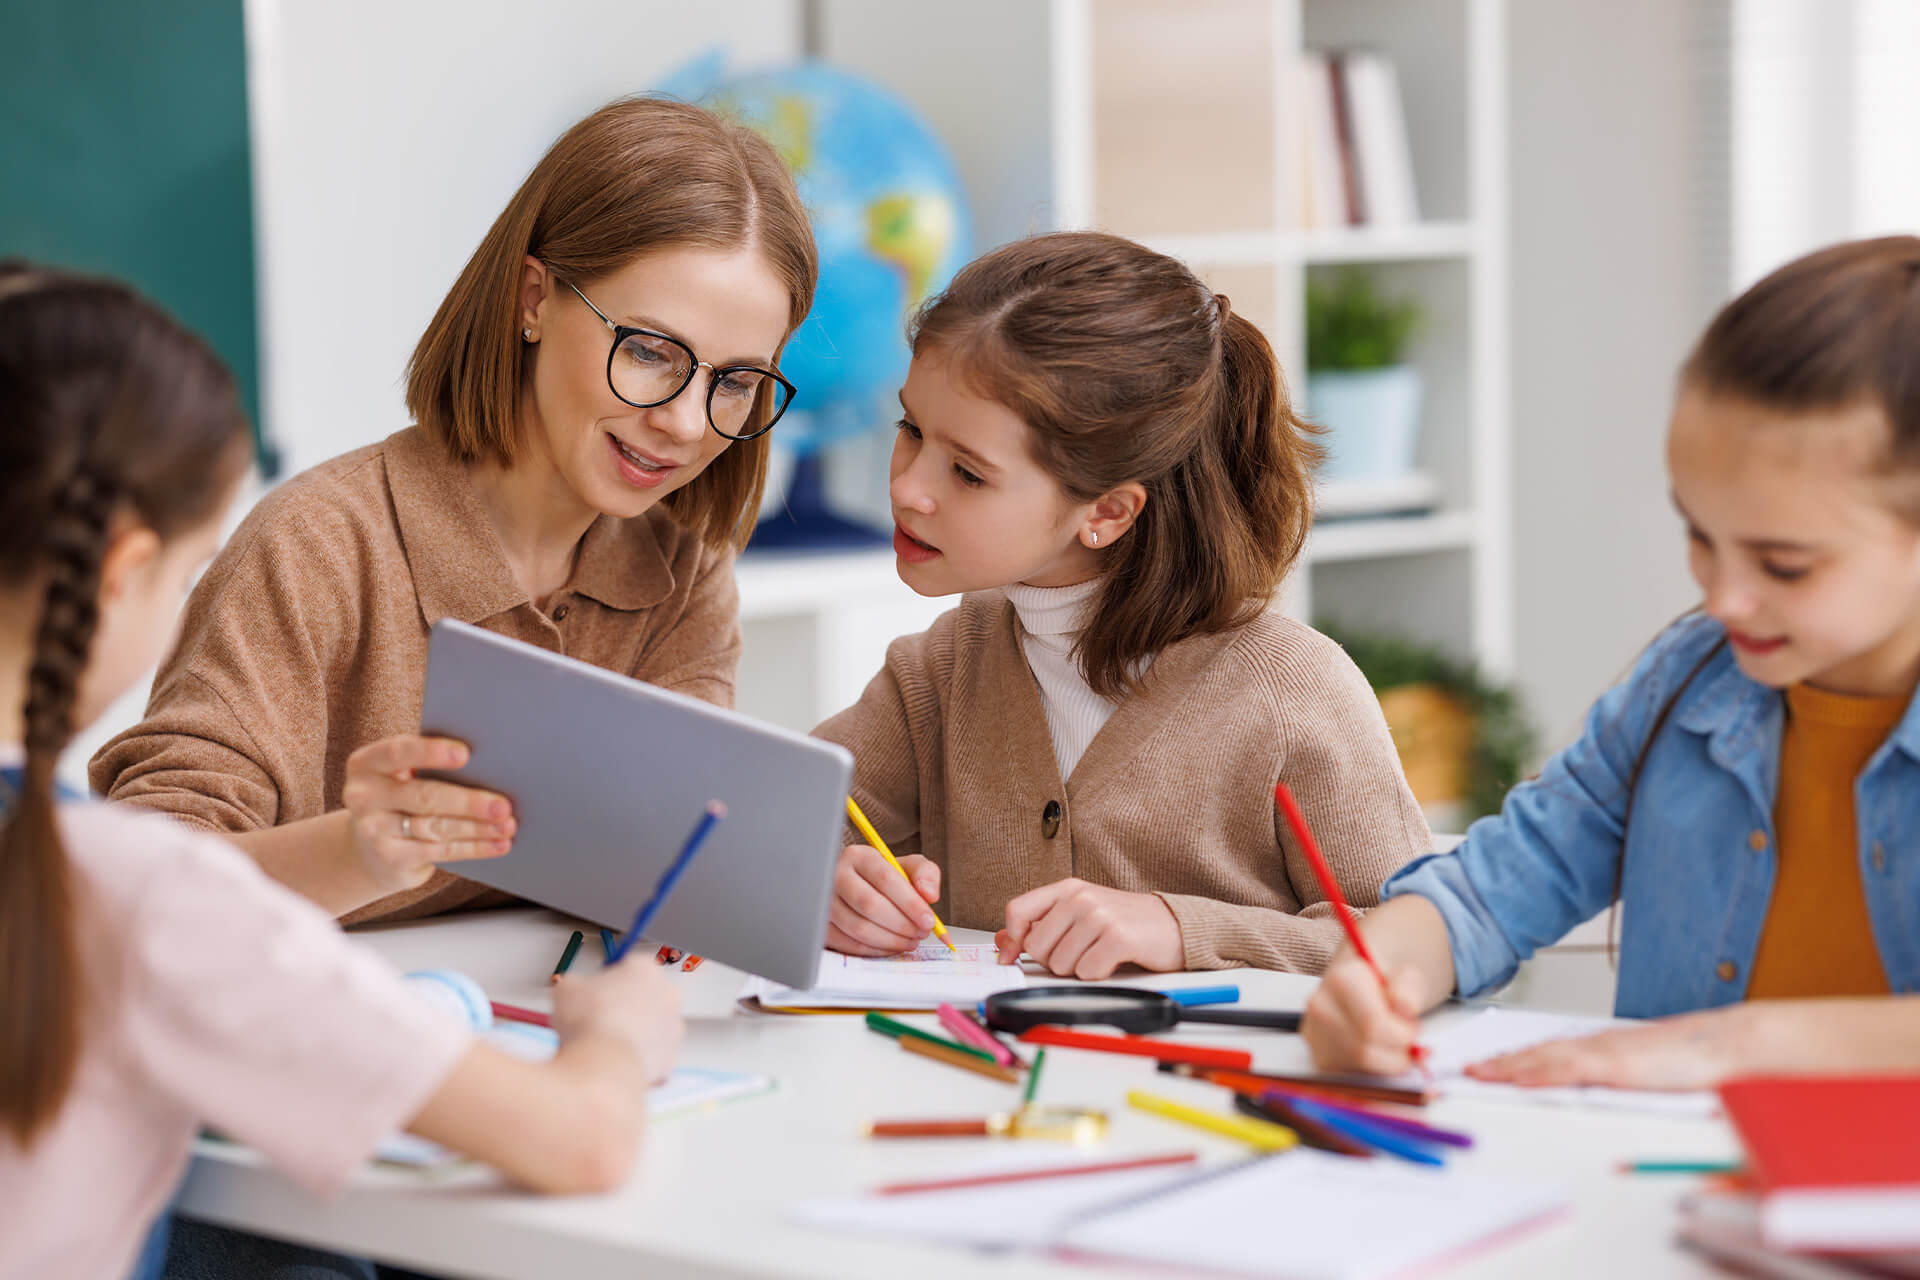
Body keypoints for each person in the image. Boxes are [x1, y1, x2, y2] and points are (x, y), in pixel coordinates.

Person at [0, 265, 684, 1280]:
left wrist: (358, 852)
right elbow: (581, 1138)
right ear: (119, 566)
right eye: (186, 571)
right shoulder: (126, 893)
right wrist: (620, 1036)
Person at [90, 96, 818, 924]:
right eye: (650, 351)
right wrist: (356, 851)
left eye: (735, 382)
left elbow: (662, 864)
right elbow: (143, 882)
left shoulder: (681, 565)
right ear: (533, 299)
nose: (686, 424)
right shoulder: (316, 547)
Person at [1304, 237, 1920, 1090]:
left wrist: (1720, 1047)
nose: (1722, 599)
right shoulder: (1689, 680)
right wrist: (1379, 972)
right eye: (1700, 535)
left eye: (1785, 565)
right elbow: (1500, 883)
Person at [815, 231, 1430, 979]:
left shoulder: (1291, 691)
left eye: (969, 473)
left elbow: (1418, 940)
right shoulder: (941, 671)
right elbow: (771, 826)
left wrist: (1184, 929)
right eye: (911, 430)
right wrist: (831, 885)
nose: (909, 486)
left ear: (1106, 513)